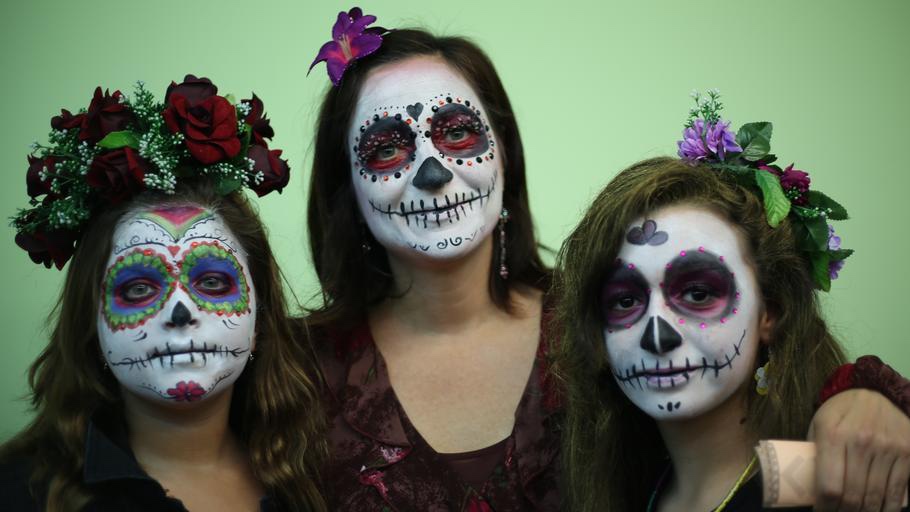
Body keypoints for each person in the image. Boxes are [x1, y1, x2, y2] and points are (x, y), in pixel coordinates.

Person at [305, 10, 910, 512]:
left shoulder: (608, 315)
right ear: (346, 187)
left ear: (505, 153)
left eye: (458, 132)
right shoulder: (297, 371)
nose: (432, 173)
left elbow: (753, 452)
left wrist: (862, 399)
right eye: (385, 148)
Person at [555, 94, 910, 512]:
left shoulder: (832, 485)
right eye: (625, 300)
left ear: (770, 312)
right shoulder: (634, 489)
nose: (657, 336)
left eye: (698, 294)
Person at [0, 77, 326, 511]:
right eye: (138, 288)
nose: (180, 310)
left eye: (213, 282)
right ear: (91, 321)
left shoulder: (319, 475)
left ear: (259, 319)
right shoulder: (19, 493)